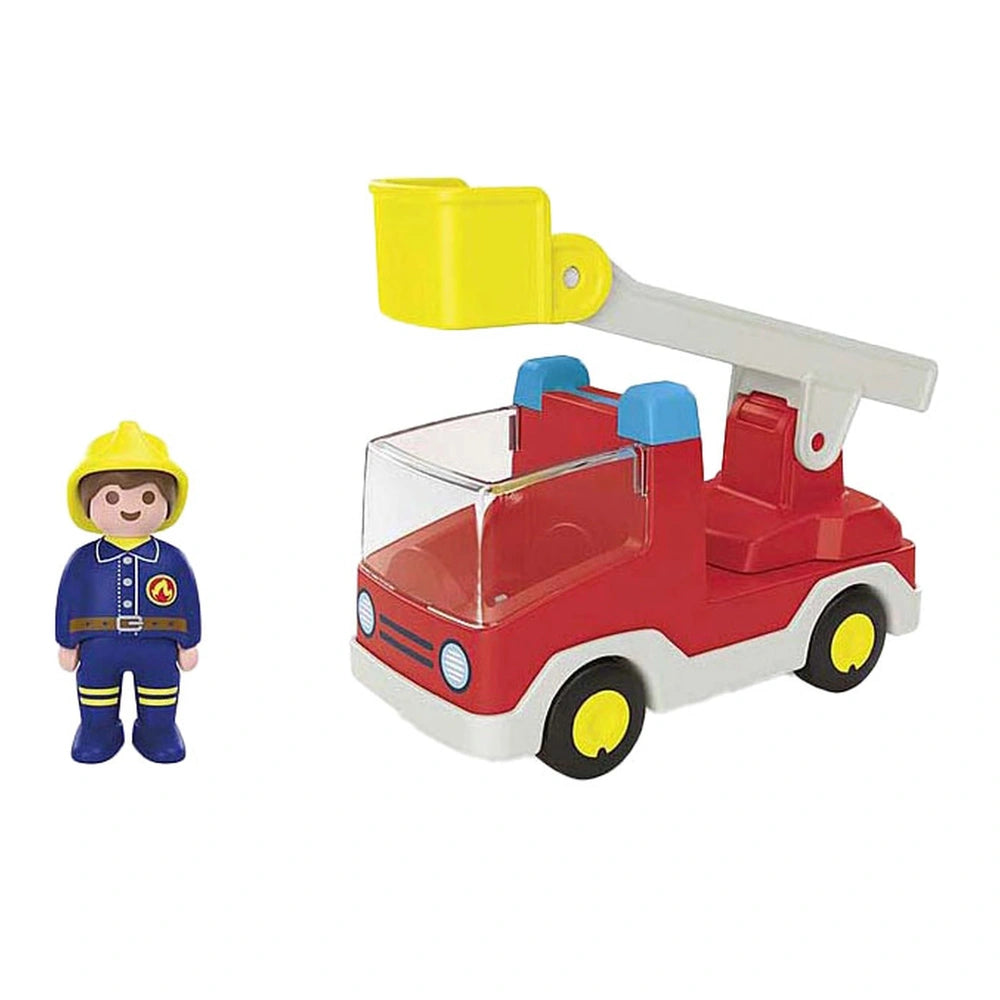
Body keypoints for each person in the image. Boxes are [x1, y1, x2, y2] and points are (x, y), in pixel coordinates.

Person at [56, 421, 201, 763]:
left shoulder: (170, 559)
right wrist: (66, 641)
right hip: (98, 646)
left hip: (158, 646)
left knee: (160, 696)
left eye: (148, 496)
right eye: (111, 497)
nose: (130, 506)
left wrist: (189, 641)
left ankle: (158, 730)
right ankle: (98, 730)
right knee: (96, 696)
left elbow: (188, 600)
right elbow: (69, 599)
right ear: (87, 503)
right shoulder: (84, 560)